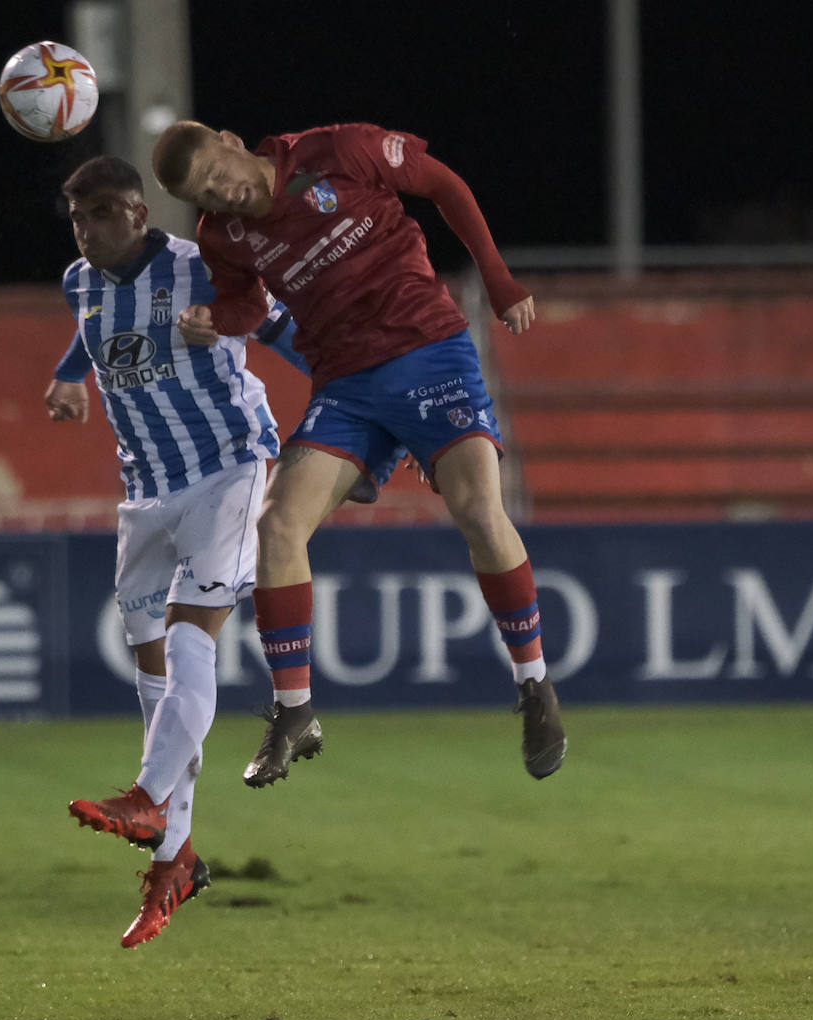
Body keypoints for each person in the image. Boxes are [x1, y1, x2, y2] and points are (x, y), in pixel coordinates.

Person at [151, 119, 567, 786]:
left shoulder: (335, 150)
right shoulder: (220, 237)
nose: (221, 195)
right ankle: (295, 711)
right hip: (347, 385)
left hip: (428, 350)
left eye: (216, 174)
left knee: (477, 508)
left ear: (231, 141)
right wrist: (216, 322)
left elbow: (445, 185)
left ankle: (535, 685)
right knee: (276, 525)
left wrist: (497, 278)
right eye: (205, 194)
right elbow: (246, 306)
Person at [48, 155, 308, 948]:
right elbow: (93, 332)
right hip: (146, 490)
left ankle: (148, 796)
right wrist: (70, 379)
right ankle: (176, 857)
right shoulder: (78, 280)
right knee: (152, 677)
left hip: (229, 465)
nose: (85, 231)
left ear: (134, 210)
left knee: (194, 632)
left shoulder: (204, 268)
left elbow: (291, 331)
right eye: (75, 219)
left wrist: (362, 410)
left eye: (97, 215)